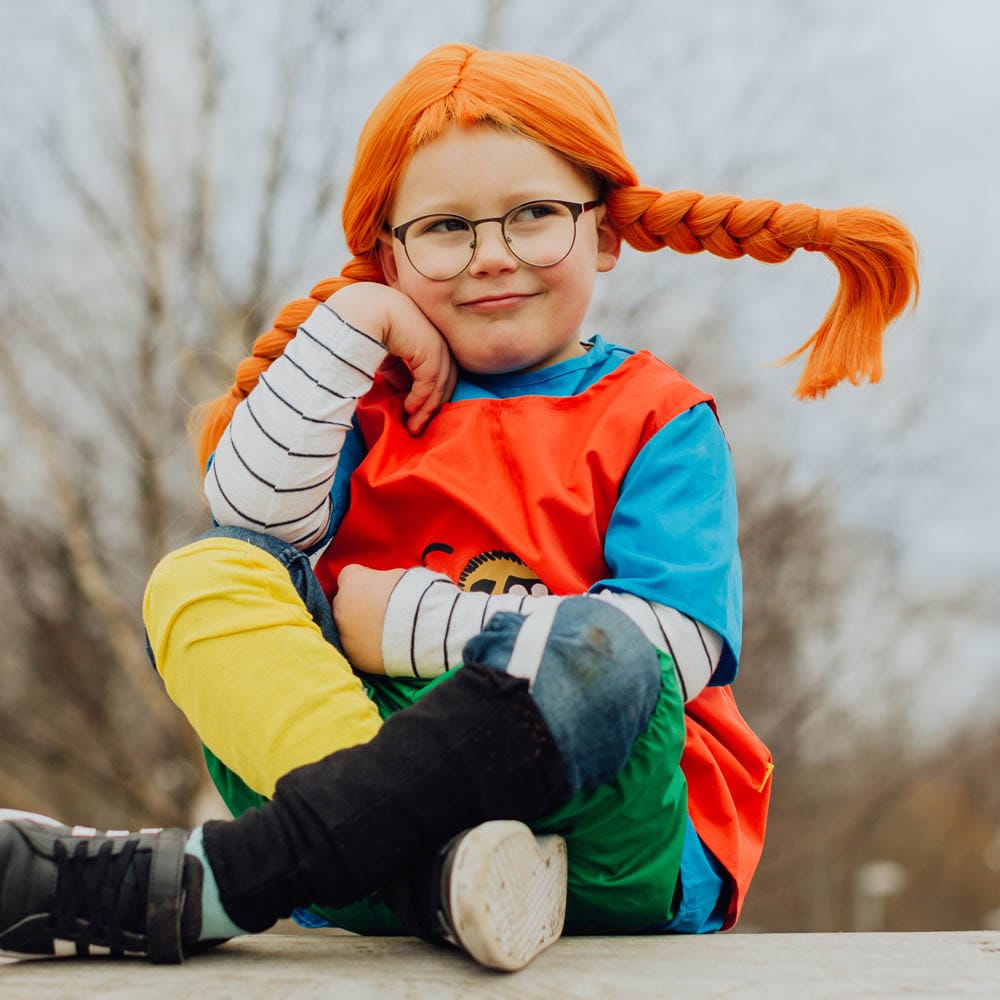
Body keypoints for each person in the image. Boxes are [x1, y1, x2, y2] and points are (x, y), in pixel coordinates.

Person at [0, 43, 917, 972]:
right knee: (205, 574)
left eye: (534, 215)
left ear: (604, 232)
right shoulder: (369, 404)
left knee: (606, 650)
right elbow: (248, 516)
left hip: (601, 820)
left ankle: (228, 878)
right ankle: (433, 874)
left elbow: (674, 649)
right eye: (445, 228)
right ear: (389, 256)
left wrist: (401, 620)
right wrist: (355, 325)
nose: (492, 257)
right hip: (364, 766)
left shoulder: (657, 416)